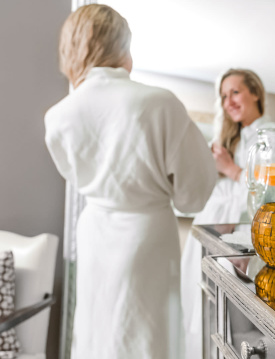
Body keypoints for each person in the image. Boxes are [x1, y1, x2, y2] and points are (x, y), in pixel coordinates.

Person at [44, 5, 217, 359]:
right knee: (147, 339)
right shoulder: (159, 103)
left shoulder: (57, 118)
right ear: (122, 46)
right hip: (147, 238)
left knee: (97, 335)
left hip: (93, 233)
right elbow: (193, 197)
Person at [181, 68, 275, 358]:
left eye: (235, 92)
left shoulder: (271, 134)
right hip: (223, 231)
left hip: (246, 236)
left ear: (256, 93)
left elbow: (272, 188)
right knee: (202, 292)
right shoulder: (238, 139)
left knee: (228, 308)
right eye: (223, 96)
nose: (228, 101)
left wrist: (231, 170)